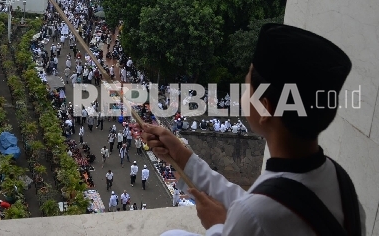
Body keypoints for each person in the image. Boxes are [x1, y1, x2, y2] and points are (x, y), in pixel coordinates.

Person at [143, 23, 363, 236]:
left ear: (265, 108)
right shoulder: (341, 182)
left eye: (247, 86)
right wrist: (182, 156)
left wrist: (217, 226)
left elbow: (251, 212)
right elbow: (250, 203)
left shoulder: (257, 215)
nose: (241, 96)